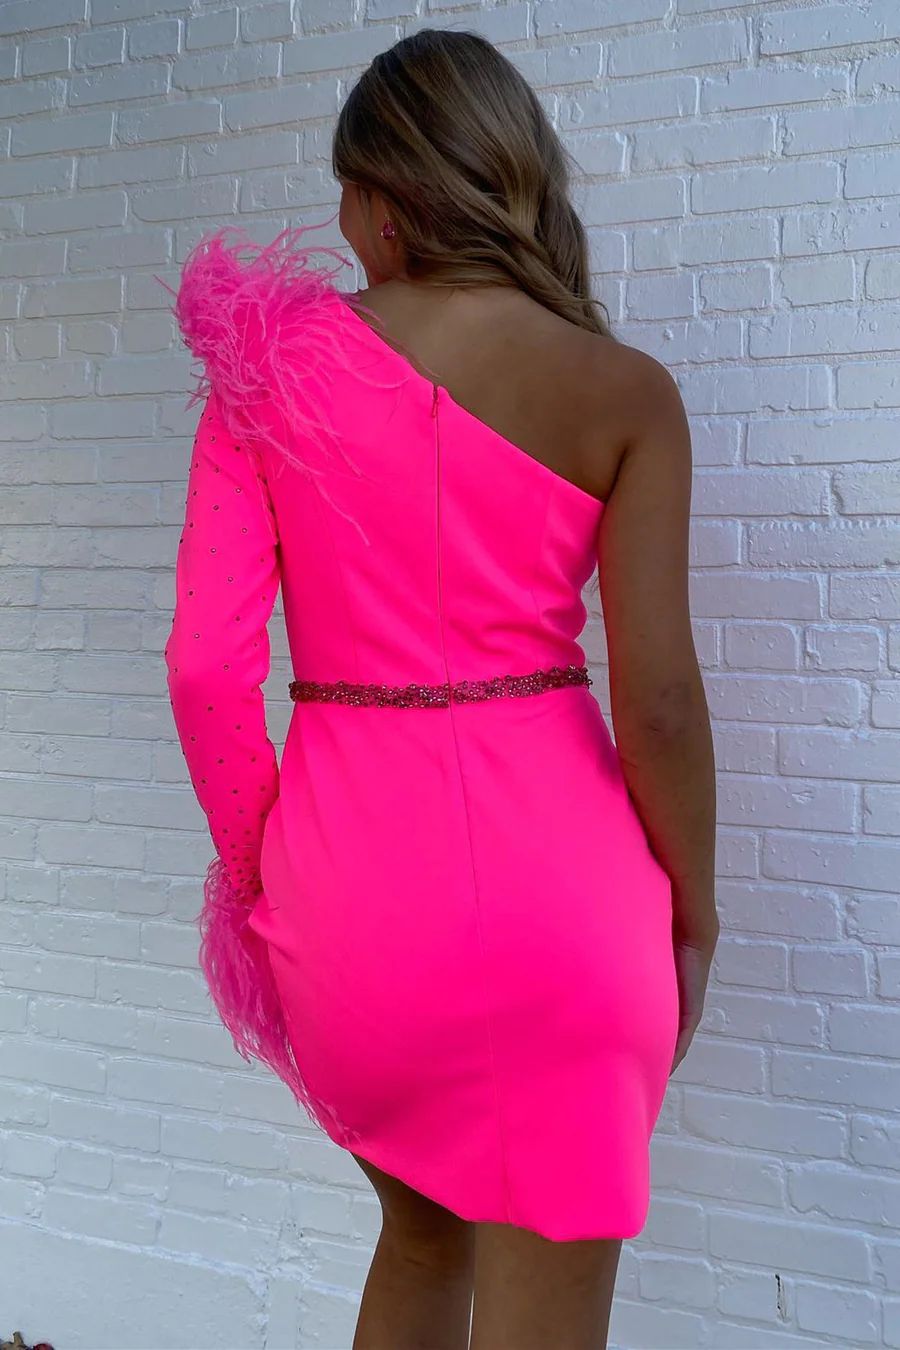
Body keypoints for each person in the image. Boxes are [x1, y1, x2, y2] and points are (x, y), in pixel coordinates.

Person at [163, 26, 718, 1350]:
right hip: (571, 908)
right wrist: (695, 915)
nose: (340, 226)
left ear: (389, 204)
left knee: (420, 1242)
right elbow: (657, 703)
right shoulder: (622, 390)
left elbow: (205, 670)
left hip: (351, 902)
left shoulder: (267, 375)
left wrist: (258, 878)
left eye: (345, 194)